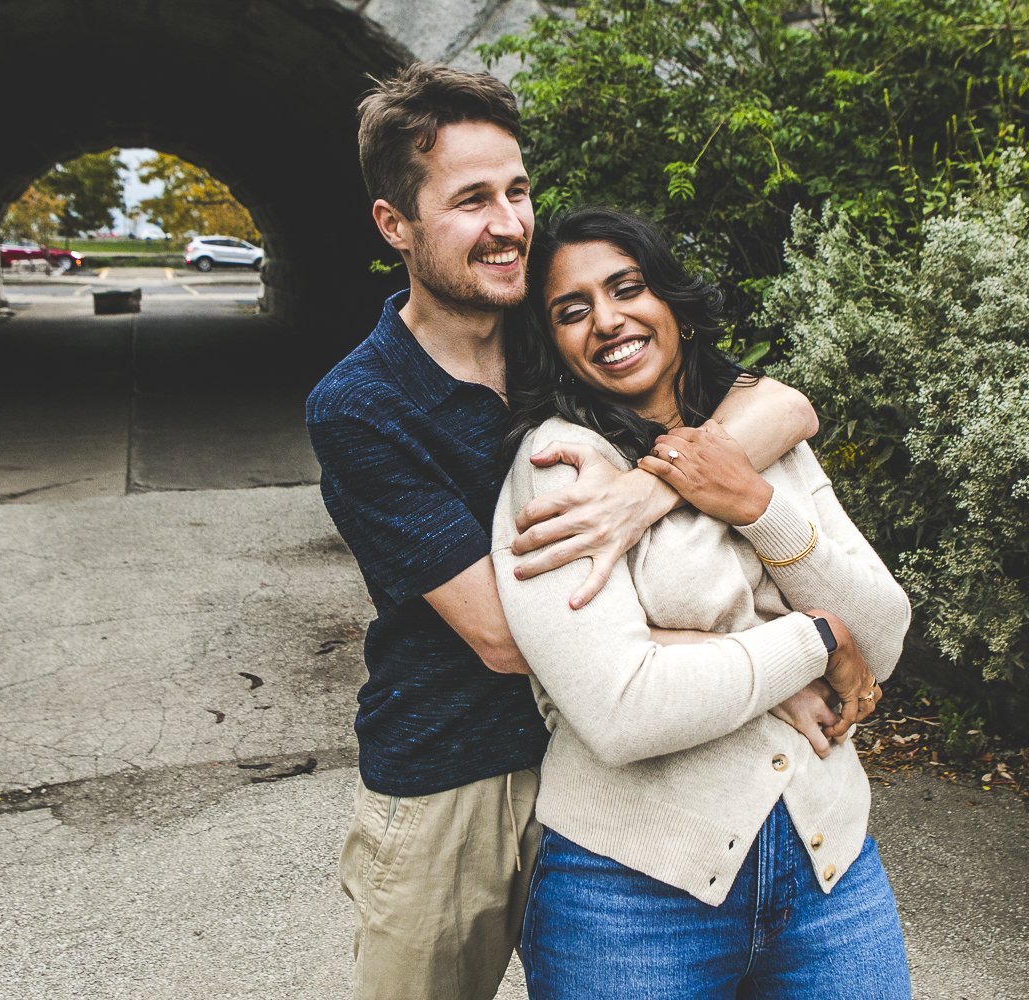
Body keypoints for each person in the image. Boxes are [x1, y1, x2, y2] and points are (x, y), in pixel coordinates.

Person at [304, 64, 820, 1000]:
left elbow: (776, 405)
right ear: (396, 226)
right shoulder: (363, 405)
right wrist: (770, 658)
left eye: (517, 190)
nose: (509, 223)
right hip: (456, 784)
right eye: (470, 201)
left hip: (606, 771)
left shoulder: (558, 329)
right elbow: (504, 637)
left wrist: (644, 495)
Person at [491, 206, 915, 998]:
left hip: (830, 875)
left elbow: (884, 638)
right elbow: (621, 709)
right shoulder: (561, 468)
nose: (608, 320)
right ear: (550, 343)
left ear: (674, 305)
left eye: (628, 288)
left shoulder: (766, 443)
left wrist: (758, 505)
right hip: (631, 899)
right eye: (572, 310)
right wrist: (810, 641)